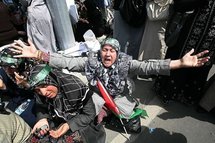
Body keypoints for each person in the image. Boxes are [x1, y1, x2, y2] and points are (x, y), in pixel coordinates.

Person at [11, 38, 209, 124]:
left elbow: (151, 66)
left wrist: (180, 63)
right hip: (97, 93)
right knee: (93, 110)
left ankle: (114, 109)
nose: (107, 53)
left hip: (120, 93)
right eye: (104, 49)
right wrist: (38, 54)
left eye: (112, 50)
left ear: (117, 53)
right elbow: (67, 61)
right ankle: (102, 113)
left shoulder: (127, 63)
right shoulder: (91, 61)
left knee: (126, 113)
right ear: (100, 52)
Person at [154, 0, 215, 105]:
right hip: (188, 31)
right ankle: (168, 91)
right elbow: (179, 4)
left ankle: (188, 96)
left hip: (210, 39)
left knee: (203, 62)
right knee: (181, 58)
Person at [25, 64, 105, 143]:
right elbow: (41, 106)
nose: (43, 92)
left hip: (82, 124)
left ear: (52, 79)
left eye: (44, 85)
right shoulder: (41, 94)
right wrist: (42, 119)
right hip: (58, 121)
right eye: (38, 90)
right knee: (35, 139)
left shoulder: (75, 87)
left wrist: (68, 125)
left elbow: (89, 115)